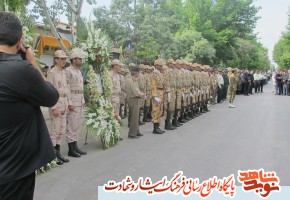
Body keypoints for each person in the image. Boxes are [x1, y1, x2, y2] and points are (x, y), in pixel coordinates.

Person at [0, 12, 58, 200]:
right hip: (13, 170)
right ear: (20, 41)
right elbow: (51, 97)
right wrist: (32, 62)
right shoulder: (21, 70)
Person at [47, 50, 71, 165]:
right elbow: (50, 91)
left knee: (61, 130)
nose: (64, 61)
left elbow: (66, 90)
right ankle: (52, 155)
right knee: (55, 131)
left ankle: (58, 152)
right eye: (61, 59)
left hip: (64, 103)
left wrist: (67, 104)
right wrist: (53, 107)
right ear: (56, 59)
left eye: (64, 59)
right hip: (56, 103)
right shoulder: (52, 72)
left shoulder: (63, 72)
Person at [66, 49, 87, 157]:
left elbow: (81, 88)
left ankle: (75, 146)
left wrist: (83, 100)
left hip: (79, 99)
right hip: (73, 100)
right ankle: (71, 149)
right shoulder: (68, 71)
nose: (81, 60)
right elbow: (67, 88)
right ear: (74, 60)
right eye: (79, 59)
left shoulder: (79, 72)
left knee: (78, 124)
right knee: (72, 124)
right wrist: (69, 102)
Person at [125, 66, 145, 138]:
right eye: (138, 73)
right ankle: (132, 133)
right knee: (134, 117)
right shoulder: (131, 80)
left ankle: (136, 131)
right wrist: (142, 94)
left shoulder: (129, 79)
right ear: (136, 73)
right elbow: (136, 92)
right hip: (134, 99)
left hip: (132, 99)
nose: (139, 74)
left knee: (136, 117)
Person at [109, 59, 124, 140]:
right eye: (119, 66)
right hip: (112, 98)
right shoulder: (109, 74)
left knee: (116, 116)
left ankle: (116, 133)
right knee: (112, 117)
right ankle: (111, 134)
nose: (120, 67)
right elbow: (108, 89)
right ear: (115, 66)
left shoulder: (118, 75)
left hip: (117, 98)